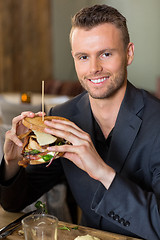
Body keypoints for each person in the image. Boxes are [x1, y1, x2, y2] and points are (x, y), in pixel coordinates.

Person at [0, 4, 160, 240]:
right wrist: (12, 162)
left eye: (106, 54)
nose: (94, 68)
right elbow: (15, 203)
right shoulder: (64, 116)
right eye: (83, 57)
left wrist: (103, 173)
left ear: (129, 53)